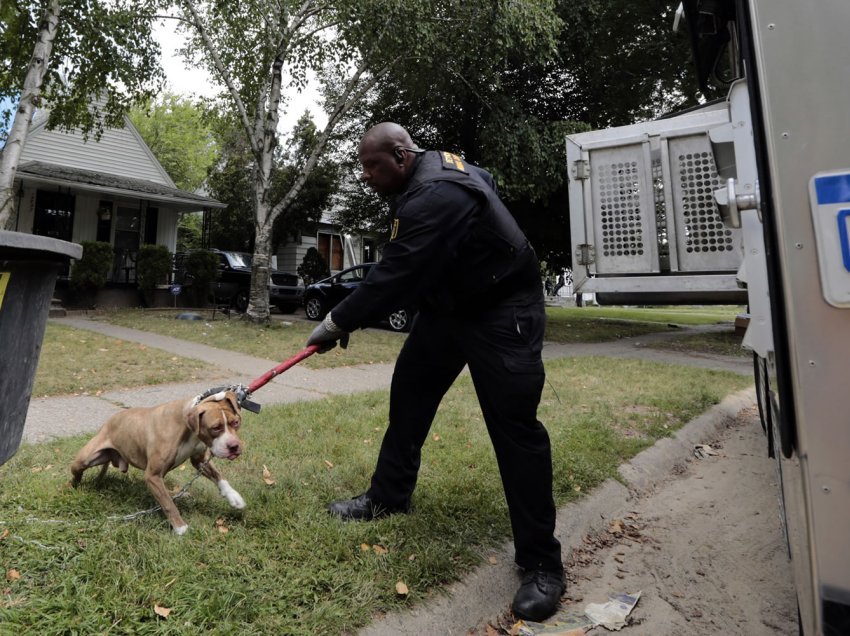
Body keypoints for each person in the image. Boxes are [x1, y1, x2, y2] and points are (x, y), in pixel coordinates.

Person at [306, 122, 564, 622]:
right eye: (361, 166)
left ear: (401, 156)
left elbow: (394, 277)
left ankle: (542, 563)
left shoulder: (432, 194)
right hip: (450, 309)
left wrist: (335, 322)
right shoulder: (435, 170)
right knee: (410, 395)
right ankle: (388, 497)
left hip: (503, 307)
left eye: (371, 166)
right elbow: (484, 182)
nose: (365, 176)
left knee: (515, 429)